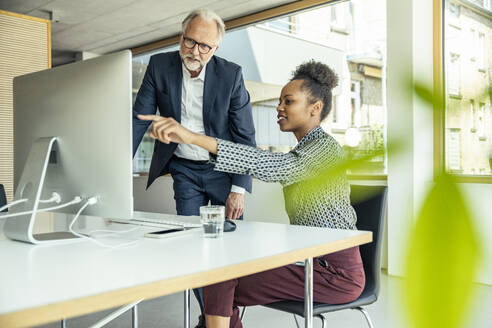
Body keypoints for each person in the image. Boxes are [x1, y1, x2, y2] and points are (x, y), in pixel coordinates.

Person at [138, 60, 365, 328]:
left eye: (288, 101)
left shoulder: (325, 150)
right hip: (307, 262)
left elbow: (271, 167)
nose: (279, 107)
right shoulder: (304, 150)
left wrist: (192, 137)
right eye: (280, 100)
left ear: (315, 108)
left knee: (221, 277)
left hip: (334, 274)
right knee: (220, 273)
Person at [131, 9, 256, 327]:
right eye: (190, 41)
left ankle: (219, 318)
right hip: (184, 169)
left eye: (205, 46)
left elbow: (244, 135)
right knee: (192, 246)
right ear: (180, 36)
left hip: (223, 170)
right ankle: (218, 319)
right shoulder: (160, 65)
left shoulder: (232, 75)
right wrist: (118, 169)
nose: (195, 51)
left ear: (216, 49)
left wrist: (239, 189)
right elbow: (138, 120)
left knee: (228, 248)